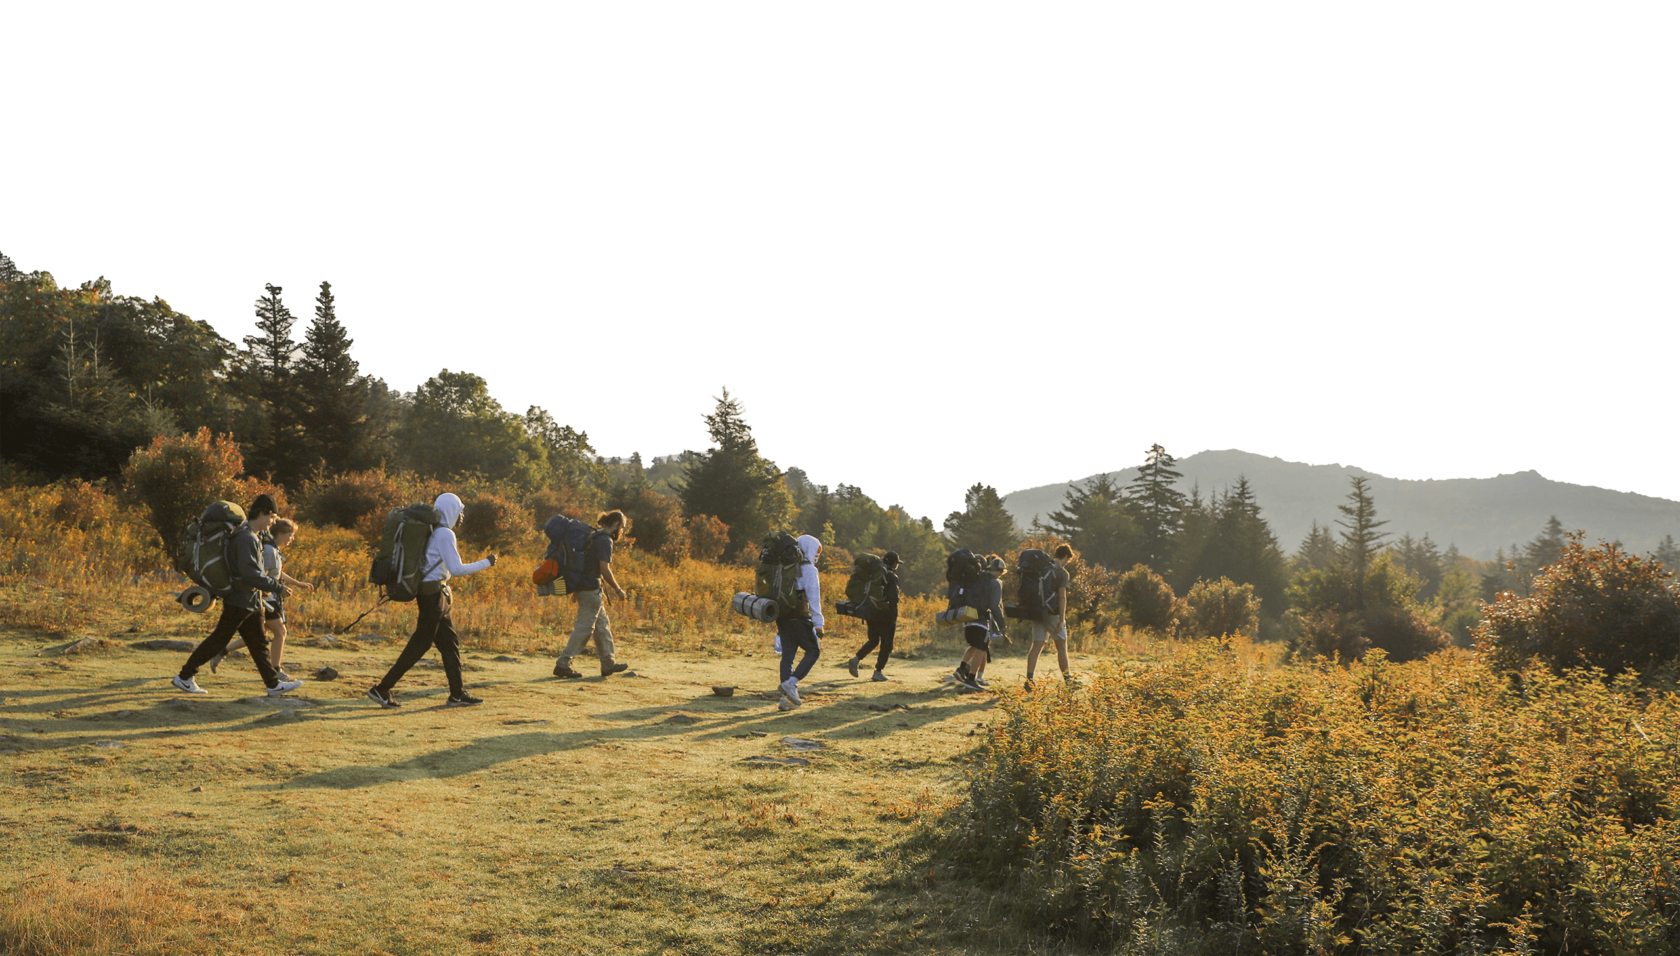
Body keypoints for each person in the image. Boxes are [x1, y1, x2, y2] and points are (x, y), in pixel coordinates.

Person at [366, 493, 496, 708]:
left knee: (449, 644)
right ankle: (381, 689)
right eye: (460, 511)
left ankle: (457, 694)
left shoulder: (432, 531)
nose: (462, 516)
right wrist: (487, 562)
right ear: (451, 510)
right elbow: (456, 569)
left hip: (434, 594)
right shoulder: (445, 534)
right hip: (433, 595)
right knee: (421, 644)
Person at [172, 494, 303, 697]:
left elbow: (252, 572)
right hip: (240, 599)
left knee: (258, 644)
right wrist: (277, 587)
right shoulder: (245, 538)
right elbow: (250, 573)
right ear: (260, 514)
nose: (272, 522)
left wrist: (264, 587)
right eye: (271, 517)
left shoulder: (251, 536)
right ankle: (184, 676)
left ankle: (273, 685)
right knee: (218, 640)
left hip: (250, 600)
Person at [212, 518, 313, 680]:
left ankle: (222, 651)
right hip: (266, 599)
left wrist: (298, 584)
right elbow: (261, 575)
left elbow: (277, 572)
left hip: (266, 598)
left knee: (261, 634)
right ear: (280, 534)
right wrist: (273, 591)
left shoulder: (273, 549)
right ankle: (275, 670)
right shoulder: (269, 551)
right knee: (280, 632)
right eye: (290, 535)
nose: (291, 539)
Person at [552, 511, 630, 680]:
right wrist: (618, 589)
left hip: (587, 588)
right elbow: (604, 569)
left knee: (602, 627)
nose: (621, 532)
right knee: (584, 628)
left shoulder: (593, 536)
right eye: (622, 527)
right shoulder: (605, 541)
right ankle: (563, 664)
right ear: (616, 524)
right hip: (590, 590)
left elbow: (583, 564)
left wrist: (576, 589)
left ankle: (608, 664)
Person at [777, 534, 825, 711]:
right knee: (813, 651)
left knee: (788, 656)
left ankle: (786, 700)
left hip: (782, 617)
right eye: (817, 552)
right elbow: (814, 599)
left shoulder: (784, 566)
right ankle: (792, 683)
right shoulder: (809, 570)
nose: (817, 557)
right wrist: (819, 623)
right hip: (799, 617)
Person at [953, 555, 1007, 692]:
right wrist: (1002, 625)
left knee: (973, 645)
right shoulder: (994, 583)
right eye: (1001, 572)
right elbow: (995, 606)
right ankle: (971, 679)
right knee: (981, 648)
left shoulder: (977, 577)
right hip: (981, 620)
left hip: (967, 617)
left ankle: (961, 668)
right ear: (1000, 571)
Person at [1025, 544, 1075, 688]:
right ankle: (1068, 680)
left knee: (1037, 645)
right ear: (1065, 556)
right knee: (1061, 645)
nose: (1067, 563)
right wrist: (1062, 620)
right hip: (1053, 613)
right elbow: (1062, 597)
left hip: (1037, 611)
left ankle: (1029, 679)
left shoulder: (1041, 568)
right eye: (1068, 560)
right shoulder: (1062, 572)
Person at [846, 551, 900, 682]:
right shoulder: (891, 576)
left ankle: (856, 659)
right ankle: (878, 671)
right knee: (887, 644)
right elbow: (893, 599)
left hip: (871, 611)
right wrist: (894, 616)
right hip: (886, 615)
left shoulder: (873, 574)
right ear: (894, 563)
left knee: (874, 640)